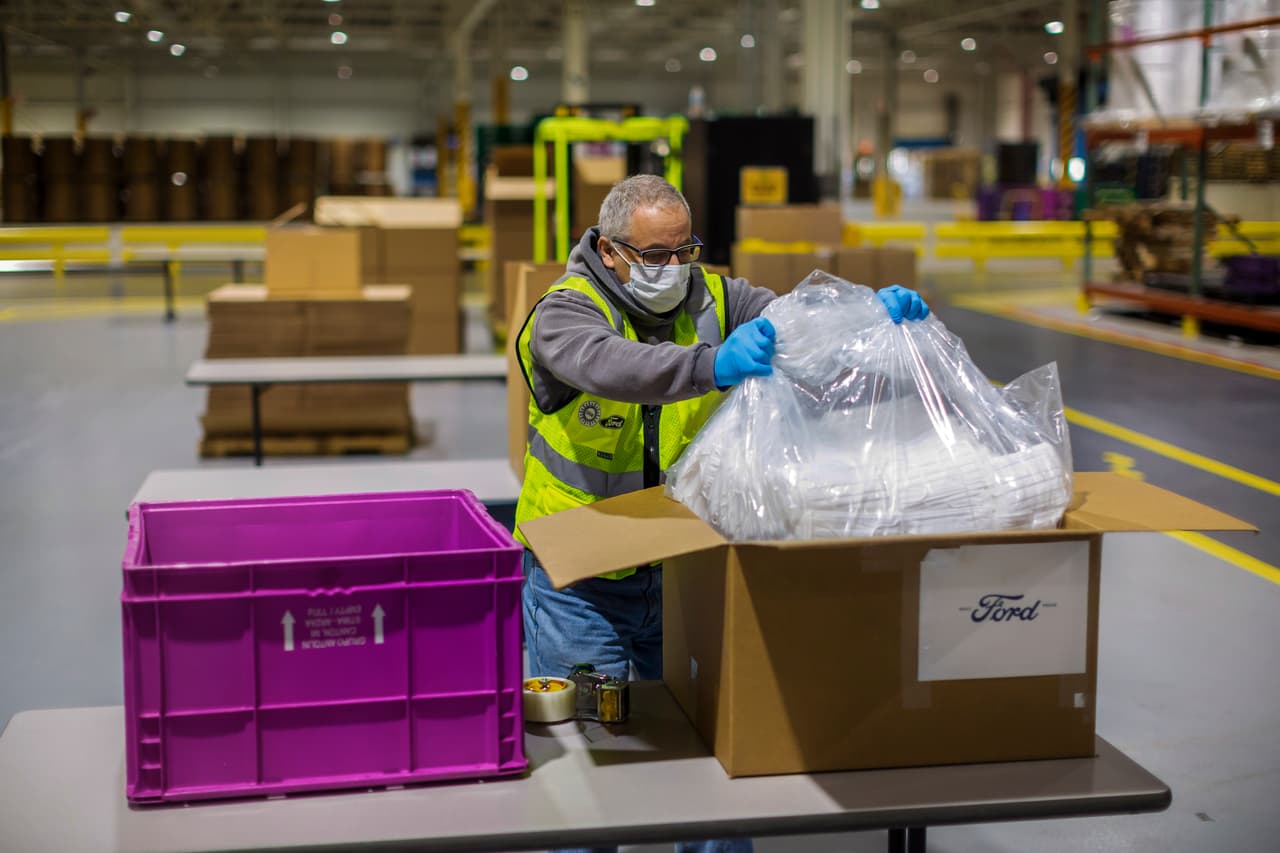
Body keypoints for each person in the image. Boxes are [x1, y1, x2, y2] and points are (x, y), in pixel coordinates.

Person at [511, 174, 928, 853]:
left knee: (715, 770)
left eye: (685, 250)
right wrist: (712, 366)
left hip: (685, 578)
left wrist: (863, 316)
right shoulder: (566, 313)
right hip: (579, 589)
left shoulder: (720, 299)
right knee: (586, 784)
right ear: (611, 250)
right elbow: (612, 365)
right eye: (654, 254)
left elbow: (798, 320)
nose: (672, 269)